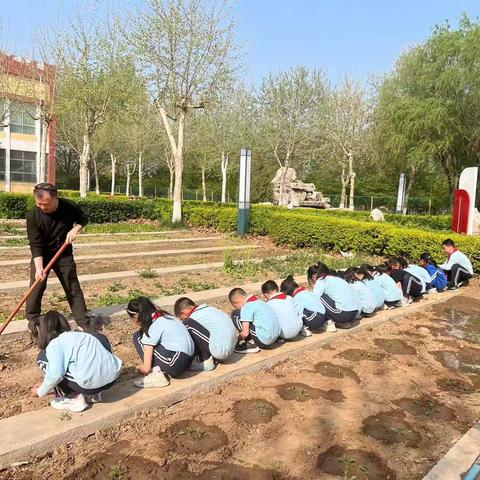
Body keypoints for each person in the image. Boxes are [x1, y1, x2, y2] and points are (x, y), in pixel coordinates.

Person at [30, 311, 122, 413]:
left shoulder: (55, 344)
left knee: (42, 358)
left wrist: (40, 391)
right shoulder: (81, 335)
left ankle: (72, 397)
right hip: (112, 379)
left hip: (92, 384)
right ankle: (93, 394)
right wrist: (44, 384)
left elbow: (56, 374)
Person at [26, 183, 89, 331]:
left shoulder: (68, 207)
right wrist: (39, 268)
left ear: (56, 199)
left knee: (72, 286)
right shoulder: (33, 216)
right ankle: (33, 319)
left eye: (45, 204)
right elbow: (35, 244)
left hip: (63, 253)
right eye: (38, 203)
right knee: (37, 285)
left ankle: (82, 320)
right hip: (43, 254)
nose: (42, 207)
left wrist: (76, 228)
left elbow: (83, 218)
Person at [127, 297, 194, 388]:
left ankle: (157, 374)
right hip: (190, 360)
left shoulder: (152, 327)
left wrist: (139, 369)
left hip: (176, 363)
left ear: (135, 316)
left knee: (138, 337)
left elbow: (146, 368)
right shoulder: (167, 317)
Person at [174, 297, 237, 371]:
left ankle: (206, 359)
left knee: (186, 324)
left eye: (182, 318)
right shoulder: (211, 309)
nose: (183, 319)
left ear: (183, 313)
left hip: (221, 351)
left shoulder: (194, 317)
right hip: (232, 347)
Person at [308, 262, 360, 329]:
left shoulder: (321, 281)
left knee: (319, 298)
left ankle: (329, 321)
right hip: (354, 313)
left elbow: (314, 299)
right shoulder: (334, 278)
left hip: (345, 315)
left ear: (313, 276)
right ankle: (341, 320)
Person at [228, 288, 281, 353]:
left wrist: (235, 340)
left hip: (265, 341)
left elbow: (245, 333)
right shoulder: (260, 301)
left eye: (235, 306)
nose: (237, 308)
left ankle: (251, 344)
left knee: (235, 314)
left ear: (236, 302)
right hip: (275, 337)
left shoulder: (246, 307)